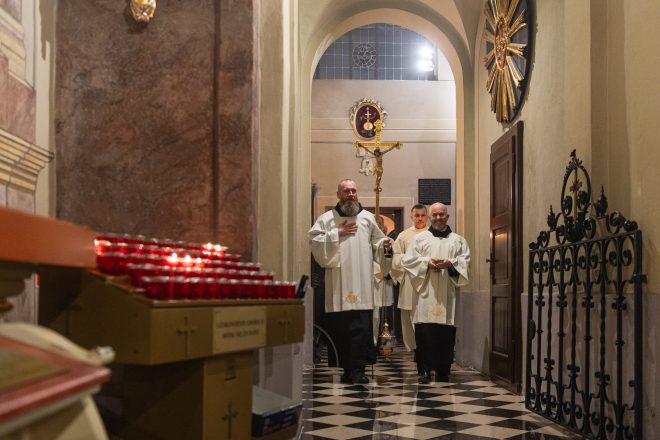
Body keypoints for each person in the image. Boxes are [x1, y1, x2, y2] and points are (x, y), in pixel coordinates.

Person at [309, 179, 393, 384]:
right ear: (338, 194)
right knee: (342, 329)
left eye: (354, 190)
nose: (351, 194)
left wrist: (385, 244)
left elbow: (377, 241)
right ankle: (346, 369)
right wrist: (335, 233)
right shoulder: (327, 219)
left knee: (361, 328)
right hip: (338, 285)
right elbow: (313, 241)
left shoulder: (367, 218)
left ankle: (358, 369)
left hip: (362, 284)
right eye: (346, 191)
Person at [403, 202, 470, 384]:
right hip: (426, 293)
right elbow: (408, 261)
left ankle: (443, 370)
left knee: (445, 334)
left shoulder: (458, 240)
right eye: (435, 215)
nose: (438, 218)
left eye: (442, 214)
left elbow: (465, 262)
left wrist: (451, 263)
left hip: (447, 294)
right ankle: (424, 370)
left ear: (447, 217)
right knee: (425, 333)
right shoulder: (419, 239)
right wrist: (427, 263)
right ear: (429, 217)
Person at [391, 204, 429, 359]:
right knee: (409, 316)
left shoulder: (432, 234)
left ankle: (426, 347)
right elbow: (396, 257)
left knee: (425, 315)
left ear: (427, 217)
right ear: (411, 217)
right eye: (417, 215)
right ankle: (415, 348)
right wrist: (411, 262)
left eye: (422, 215)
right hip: (409, 281)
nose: (420, 218)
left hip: (427, 280)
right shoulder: (403, 236)